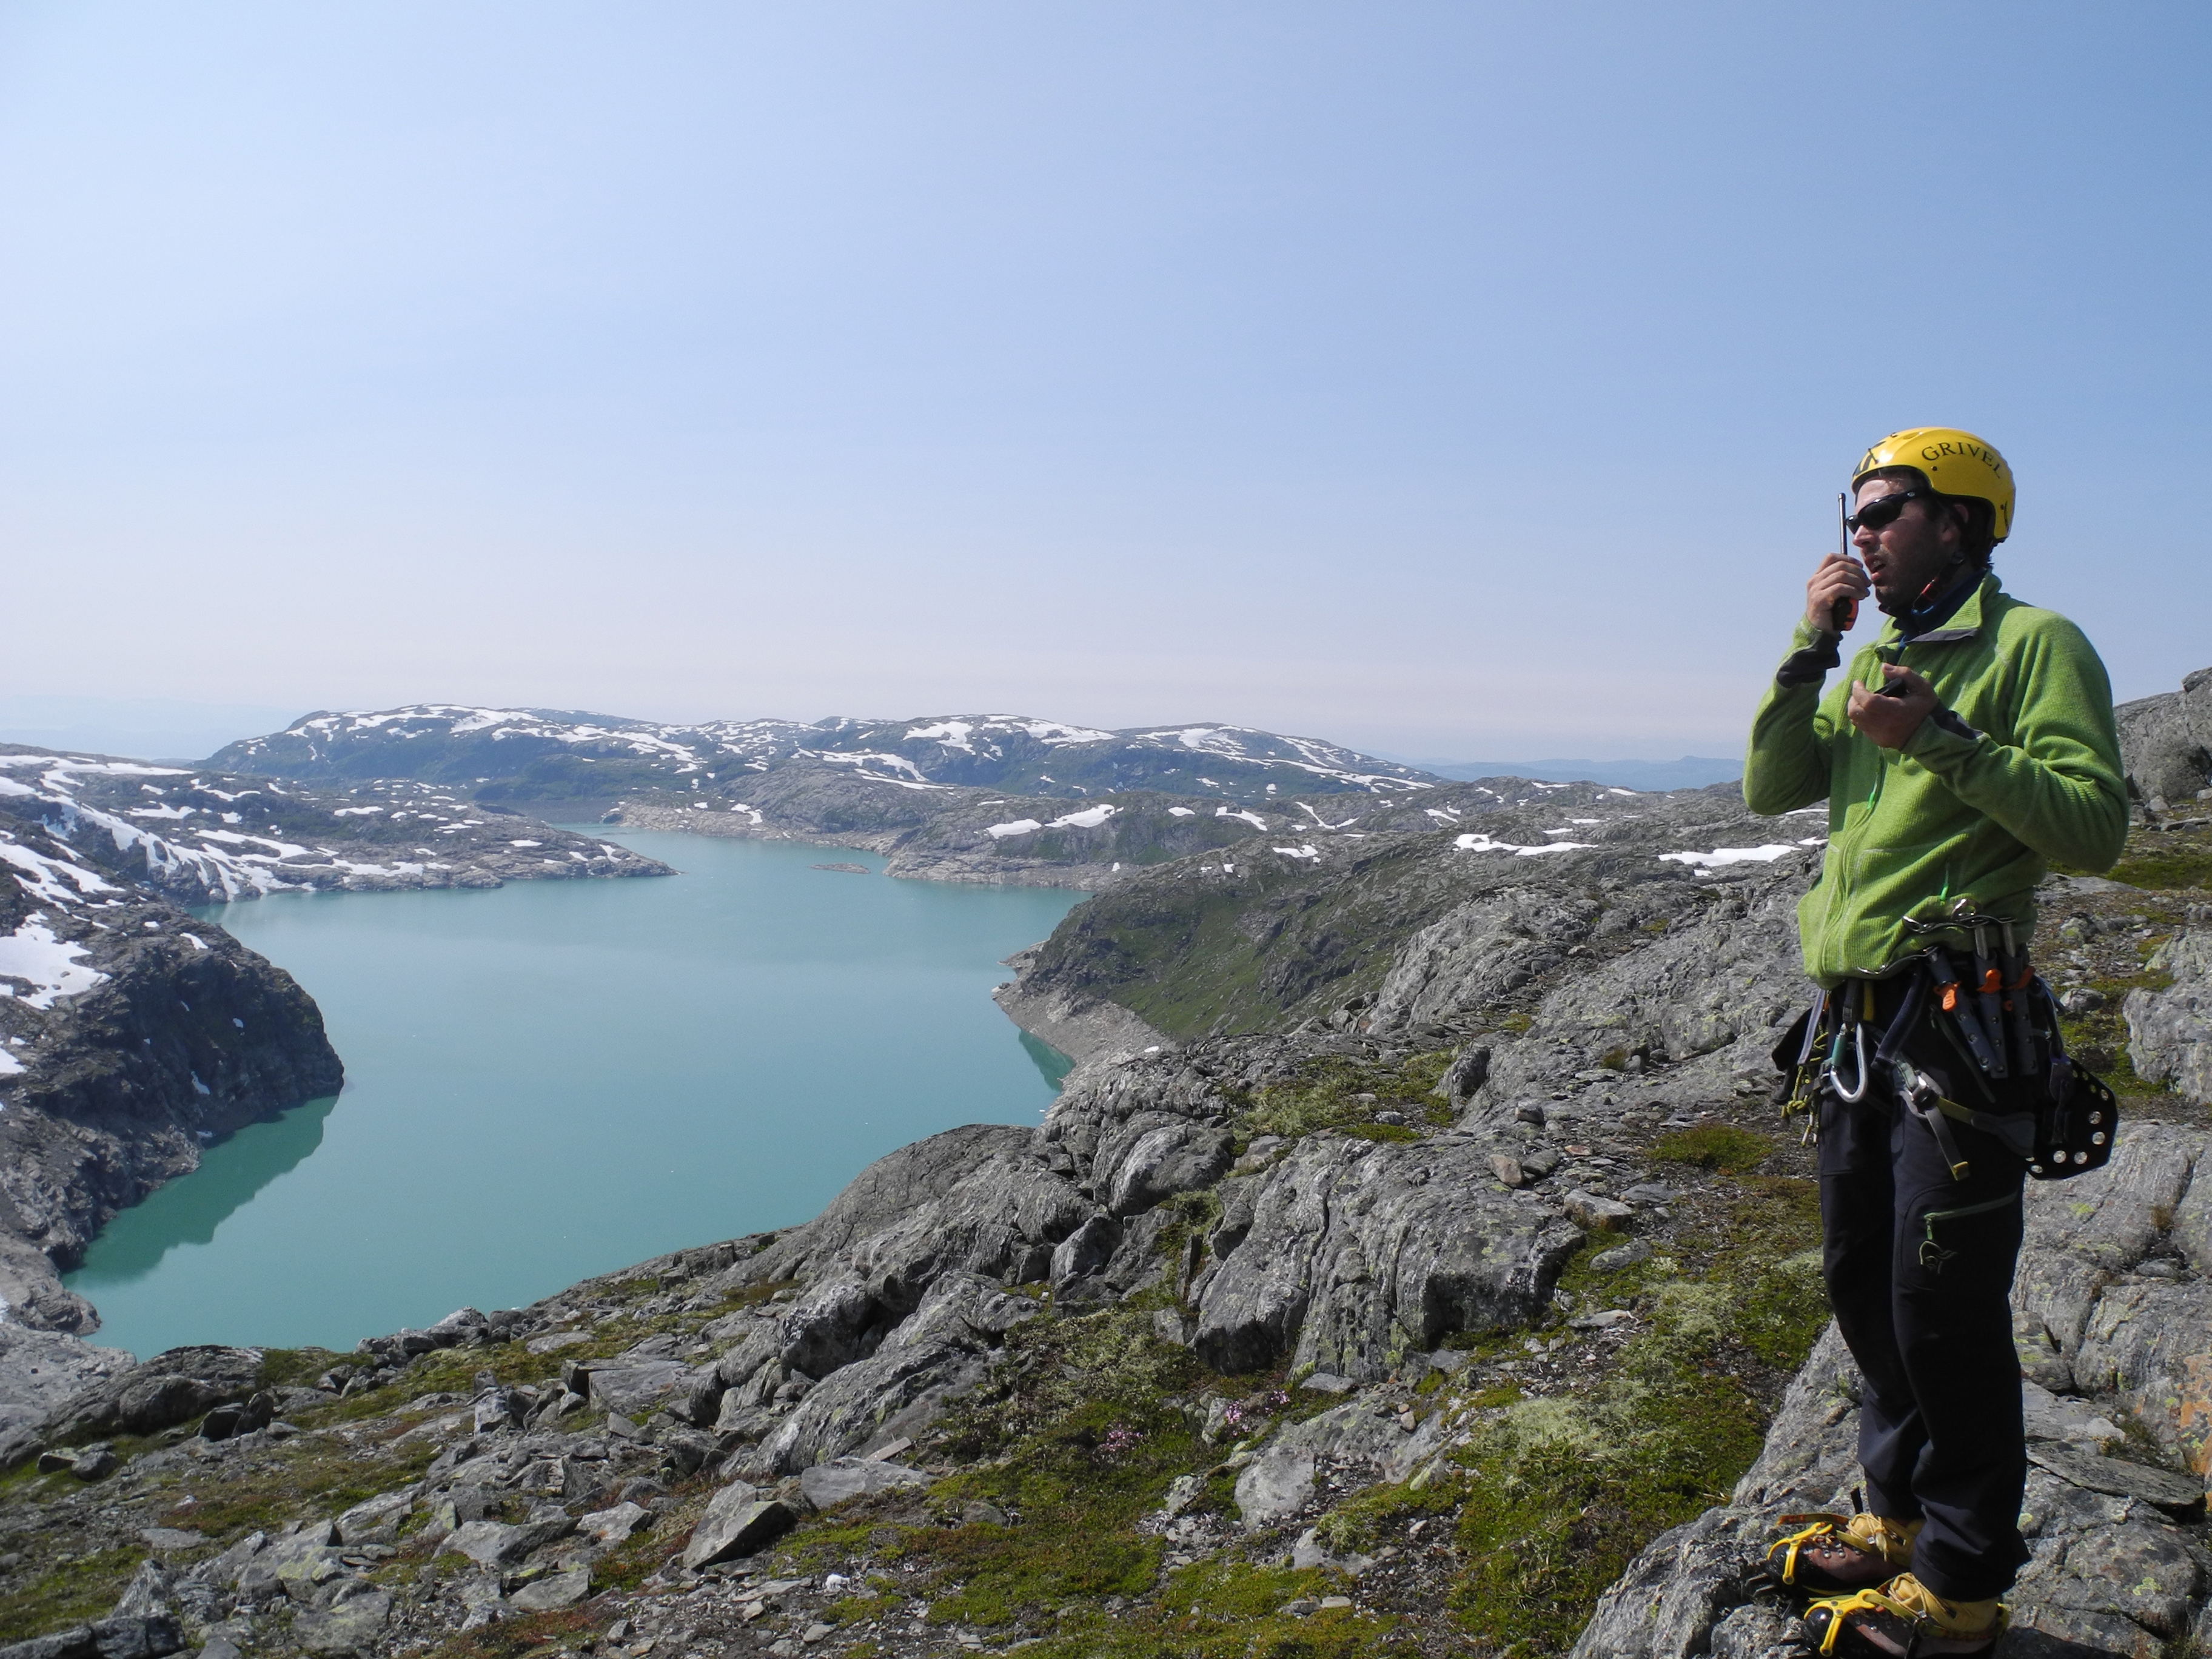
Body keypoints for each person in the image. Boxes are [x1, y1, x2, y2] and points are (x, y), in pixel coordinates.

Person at [1742, 428, 2128, 1657]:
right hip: (1856, 1019)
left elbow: (2093, 830)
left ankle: (1959, 1585)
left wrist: (1946, 743)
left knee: (1941, 1304)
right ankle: (1900, 1516)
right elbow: (1770, 784)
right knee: (1867, 1283)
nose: (1862, 531)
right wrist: (1814, 645)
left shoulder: (2033, 648)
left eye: (1887, 511)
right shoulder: (1885, 657)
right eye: (1853, 514)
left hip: (1955, 1026)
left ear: (1957, 521)